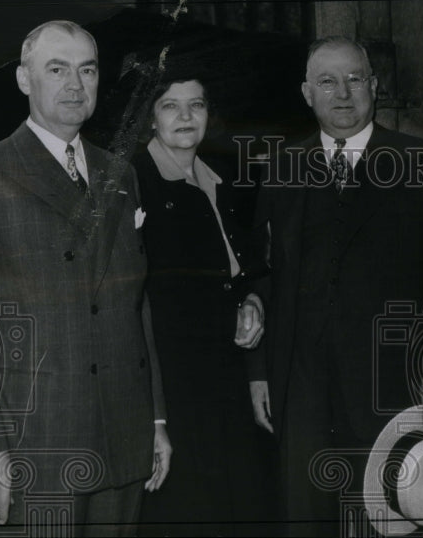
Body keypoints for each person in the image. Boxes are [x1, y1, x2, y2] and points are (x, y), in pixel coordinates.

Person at [0, 20, 169, 536]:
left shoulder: (121, 173)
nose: (75, 84)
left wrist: (156, 421)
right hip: (34, 446)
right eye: (57, 69)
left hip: (123, 437)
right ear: (25, 79)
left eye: (87, 70)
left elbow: (135, 304)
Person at [238, 36, 423, 536]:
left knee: (393, 520)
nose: (342, 93)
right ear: (306, 92)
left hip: (392, 382)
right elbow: (260, 279)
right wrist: (258, 371)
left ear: (374, 87)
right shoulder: (280, 168)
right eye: (327, 81)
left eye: (354, 79)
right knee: (307, 517)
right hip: (301, 384)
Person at [130, 74, 276, 536]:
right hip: (172, 385)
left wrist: (253, 300)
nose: (186, 117)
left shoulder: (223, 178)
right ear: (150, 118)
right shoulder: (134, 182)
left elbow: (252, 270)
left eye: (196, 105)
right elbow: (138, 300)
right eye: (171, 106)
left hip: (226, 377)